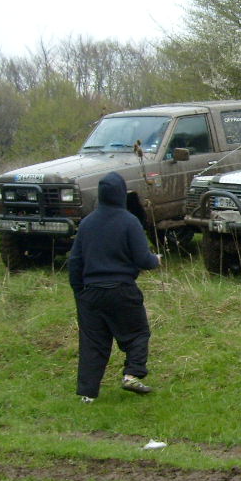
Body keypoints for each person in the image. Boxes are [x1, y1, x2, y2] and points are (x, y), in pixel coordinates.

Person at [68, 172, 162, 402]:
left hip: (91, 293)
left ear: (100, 195)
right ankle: (132, 374)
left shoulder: (87, 223)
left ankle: (87, 394)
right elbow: (143, 259)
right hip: (122, 290)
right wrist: (156, 260)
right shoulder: (129, 221)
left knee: (92, 344)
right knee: (138, 333)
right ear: (121, 194)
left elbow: (75, 262)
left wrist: (80, 292)